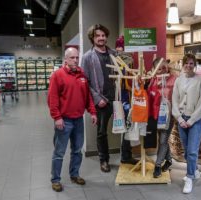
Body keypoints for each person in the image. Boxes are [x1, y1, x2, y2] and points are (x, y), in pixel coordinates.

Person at [81, 24, 137, 173]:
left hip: (118, 97)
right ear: (92, 38)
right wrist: (97, 98)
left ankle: (126, 156)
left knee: (127, 125)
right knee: (102, 132)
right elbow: (85, 82)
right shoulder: (87, 57)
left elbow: (127, 65)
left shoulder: (114, 54)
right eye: (98, 35)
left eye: (103, 35)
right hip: (101, 100)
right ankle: (104, 160)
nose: (101, 38)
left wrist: (127, 54)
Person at [47, 47, 97, 192]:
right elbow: (52, 99)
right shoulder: (57, 75)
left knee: (77, 150)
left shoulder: (82, 75)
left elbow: (87, 97)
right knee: (59, 152)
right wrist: (57, 117)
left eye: (77, 57)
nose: (75, 60)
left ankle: (74, 175)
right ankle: (55, 180)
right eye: (72, 58)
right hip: (64, 120)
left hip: (78, 120)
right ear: (66, 59)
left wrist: (92, 112)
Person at [172, 53, 201, 193]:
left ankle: (189, 177)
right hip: (182, 119)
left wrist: (192, 120)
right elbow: (174, 100)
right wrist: (180, 119)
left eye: (191, 63)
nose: (188, 66)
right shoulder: (178, 80)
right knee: (187, 151)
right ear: (183, 65)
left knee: (192, 151)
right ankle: (195, 170)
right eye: (186, 63)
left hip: (196, 120)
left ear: (195, 65)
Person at [148, 58, 177, 178]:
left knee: (163, 140)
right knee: (162, 138)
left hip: (169, 114)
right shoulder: (153, 80)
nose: (163, 70)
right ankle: (169, 160)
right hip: (156, 114)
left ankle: (158, 165)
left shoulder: (174, 78)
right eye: (159, 68)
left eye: (164, 67)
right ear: (155, 70)